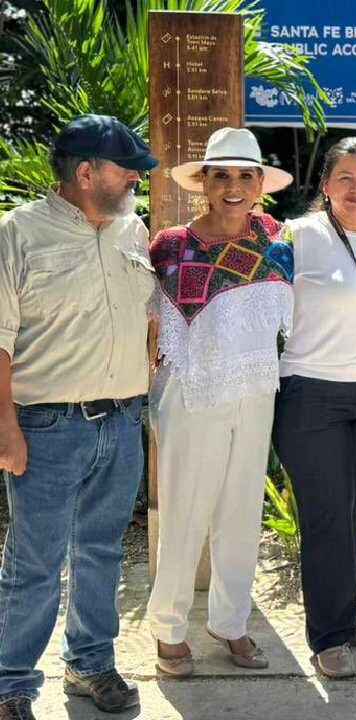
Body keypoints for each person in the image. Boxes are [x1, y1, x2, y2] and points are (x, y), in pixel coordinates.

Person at [0, 115, 157, 719]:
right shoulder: (17, 234)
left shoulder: (132, 229)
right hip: (46, 426)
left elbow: (145, 319)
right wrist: (5, 427)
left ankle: (90, 663)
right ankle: (12, 682)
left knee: (102, 549)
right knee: (34, 559)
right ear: (86, 172)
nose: (137, 178)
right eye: (127, 168)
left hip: (119, 421)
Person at [145, 127, 294, 676]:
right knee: (184, 512)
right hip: (191, 393)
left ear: (260, 184)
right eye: (222, 175)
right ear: (204, 182)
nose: (233, 186)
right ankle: (168, 628)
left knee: (239, 513)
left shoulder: (278, 241)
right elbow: (148, 323)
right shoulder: (168, 245)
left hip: (255, 393)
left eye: (245, 175)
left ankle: (231, 623)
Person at [272, 137, 356, 678]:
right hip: (312, 393)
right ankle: (328, 635)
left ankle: (346, 617)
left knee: (354, 511)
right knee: (327, 514)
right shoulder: (296, 237)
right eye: (344, 179)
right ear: (325, 186)